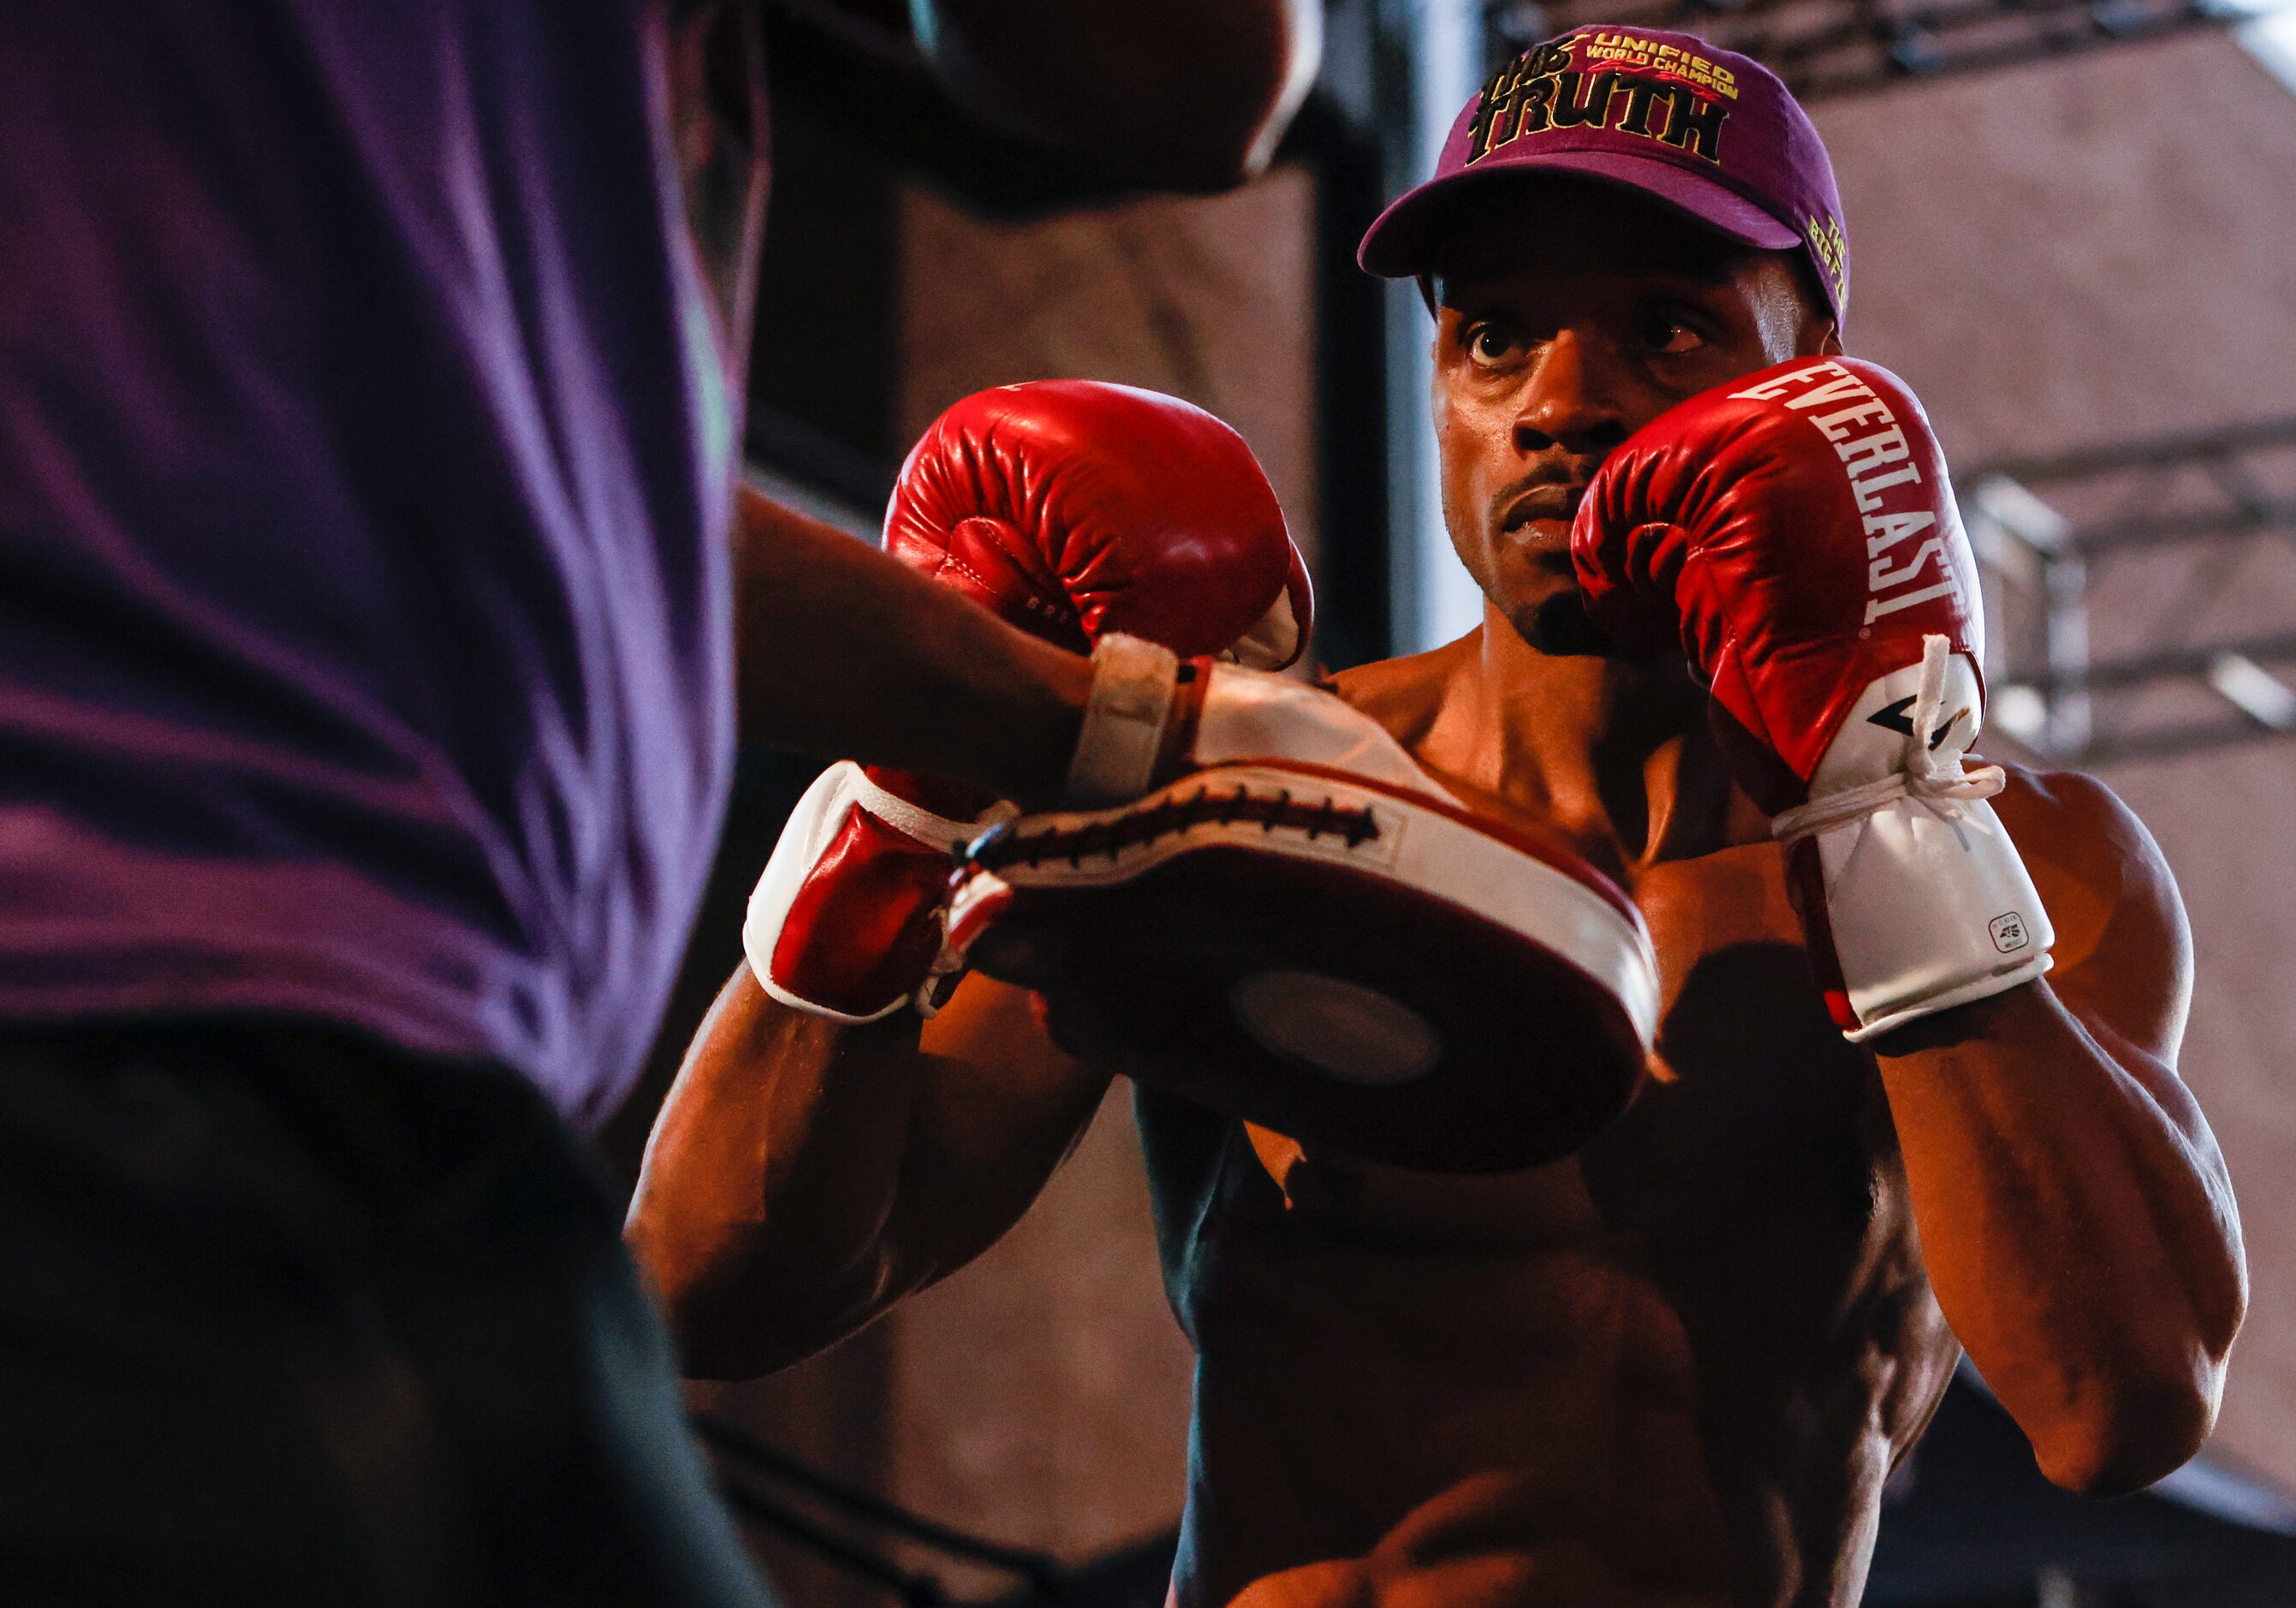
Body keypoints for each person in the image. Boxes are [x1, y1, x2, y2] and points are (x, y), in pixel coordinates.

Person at [627, 26, 2249, 1607]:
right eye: (1492, 334)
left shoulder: (2023, 856)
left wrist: (1889, 809)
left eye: (1666, 330)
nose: (1559, 401)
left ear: (1809, 376)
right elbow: (711, 1292)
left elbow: (2116, 1404)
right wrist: (898, 817)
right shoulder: (1252, 789)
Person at [0, 3, 1321, 1604]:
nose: (1560, 399)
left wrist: (1071, 721)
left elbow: (534, 512)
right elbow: (1190, 68)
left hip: (391, 1094)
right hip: (146, 1026)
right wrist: (983, 780)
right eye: (1489, 324)